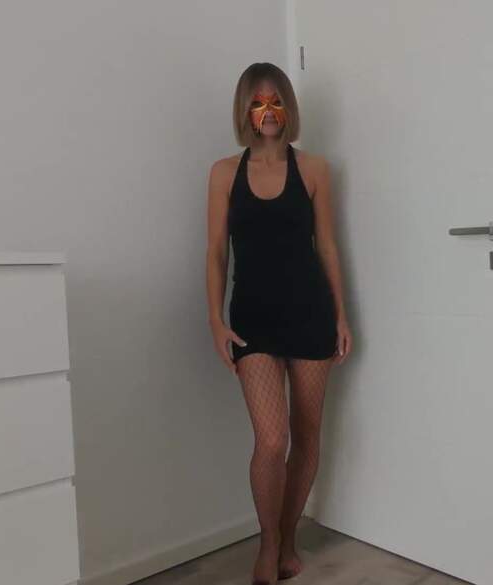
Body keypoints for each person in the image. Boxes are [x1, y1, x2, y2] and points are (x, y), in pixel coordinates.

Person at [205, 62, 353, 585]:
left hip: (310, 311)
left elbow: (327, 245)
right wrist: (215, 319)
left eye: (276, 100)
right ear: (245, 109)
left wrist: (341, 313)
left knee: (307, 434)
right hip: (254, 318)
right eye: (257, 101)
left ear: (288, 106)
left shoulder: (314, 169)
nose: (267, 111)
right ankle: (269, 544)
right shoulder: (224, 172)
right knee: (272, 441)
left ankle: (289, 539)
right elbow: (216, 252)